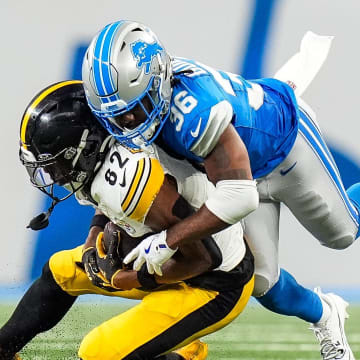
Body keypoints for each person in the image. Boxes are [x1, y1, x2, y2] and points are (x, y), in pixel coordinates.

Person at [81, 20, 359, 360]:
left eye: (132, 110)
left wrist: (168, 240)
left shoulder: (194, 111)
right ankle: (327, 313)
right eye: (117, 117)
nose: (128, 125)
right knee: (263, 283)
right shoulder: (147, 104)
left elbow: (240, 196)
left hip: (286, 147)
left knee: (344, 234)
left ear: (156, 81)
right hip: (238, 174)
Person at [1, 80, 254, 360]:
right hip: (165, 253)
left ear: (82, 149)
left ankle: (184, 355)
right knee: (62, 271)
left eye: (54, 164)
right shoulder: (102, 155)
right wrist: (91, 242)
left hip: (215, 282)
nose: (53, 175)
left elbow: (203, 258)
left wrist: (128, 278)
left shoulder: (133, 182)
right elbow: (104, 201)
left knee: (99, 353)